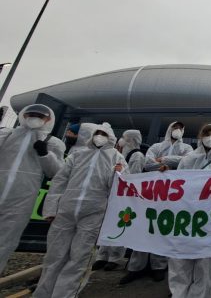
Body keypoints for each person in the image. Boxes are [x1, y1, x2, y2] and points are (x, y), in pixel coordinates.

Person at [33, 123, 126, 298]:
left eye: (103, 134)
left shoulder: (117, 158)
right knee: (54, 257)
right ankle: (42, 294)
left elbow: (119, 188)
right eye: (97, 134)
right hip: (65, 212)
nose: (99, 137)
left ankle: (65, 295)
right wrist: (51, 209)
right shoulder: (77, 155)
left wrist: (117, 174)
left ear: (110, 137)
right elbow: (59, 182)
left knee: (79, 258)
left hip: (94, 213)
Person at [167, 123, 211, 298]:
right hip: (185, 219)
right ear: (200, 136)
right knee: (180, 263)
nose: (210, 137)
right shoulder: (187, 159)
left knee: (205, 267)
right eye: (207, 133)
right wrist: (164, 176)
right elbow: (176, 186)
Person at [121, 122, 193, 284]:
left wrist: (164, 160)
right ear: (169, 129)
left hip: (173, 193)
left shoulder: (187, 148)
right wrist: (166, 165)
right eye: (175, 128)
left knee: (163, 227)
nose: (178, 131)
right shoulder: (156, 145)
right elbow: (148, 163)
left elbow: (187, 162)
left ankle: (159, 266)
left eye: (181, 128)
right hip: (152, 192)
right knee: (143, 226)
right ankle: (136, 266)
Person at [0, 104, 66, 274]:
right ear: (24, 115)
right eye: (32, 114)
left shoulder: (51, 142)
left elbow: (57, 172)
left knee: (6, 239)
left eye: (40, 115)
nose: (35, 117)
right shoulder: (7, 134)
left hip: (21, 197)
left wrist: (45, 154)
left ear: (48, 119)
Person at [93, 129, 145, 271]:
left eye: (124, 137)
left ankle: (115, 257)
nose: (121, 140)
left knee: (120, 226)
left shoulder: (137, 155)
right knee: (108, 225)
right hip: (113, 195)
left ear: (131, 139)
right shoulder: (120, 154)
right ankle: (101, 256)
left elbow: (134, 177)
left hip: (125, 197)